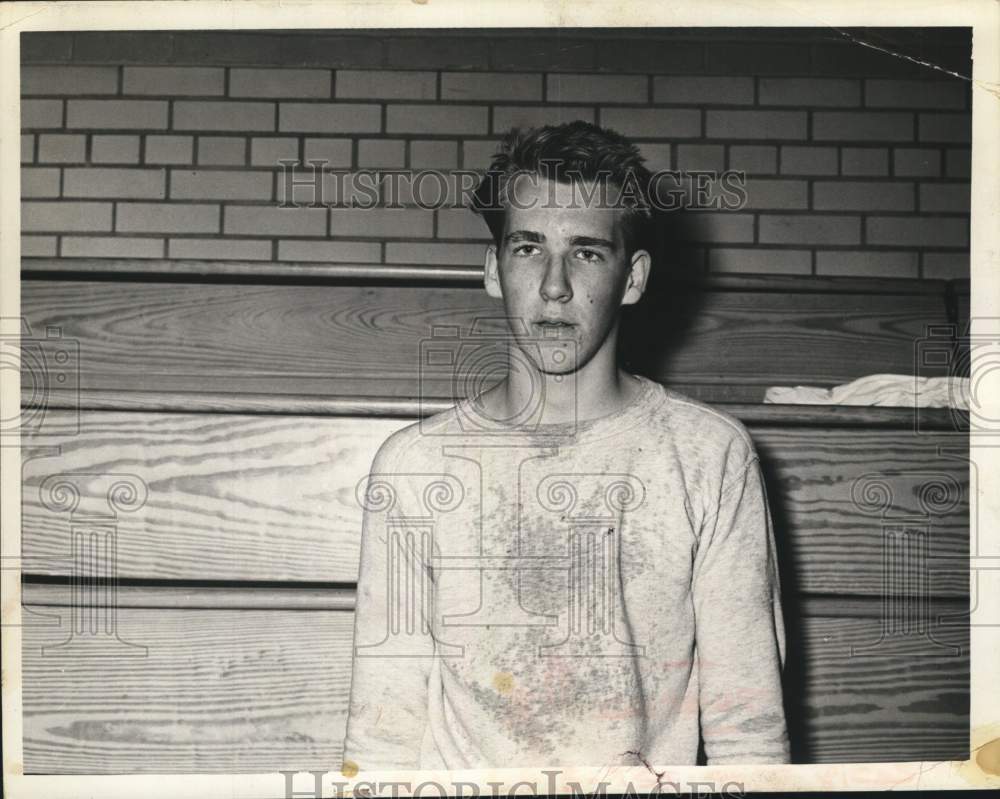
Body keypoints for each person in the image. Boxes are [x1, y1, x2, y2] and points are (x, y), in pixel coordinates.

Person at [342, 120, 790, 770]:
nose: (554, 285)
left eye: (586, 252)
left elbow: (748, 730)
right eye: (528, 248)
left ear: (632, 278)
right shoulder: (415, 466)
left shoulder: (710, 455)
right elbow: (381, 735)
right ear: (493, 269)